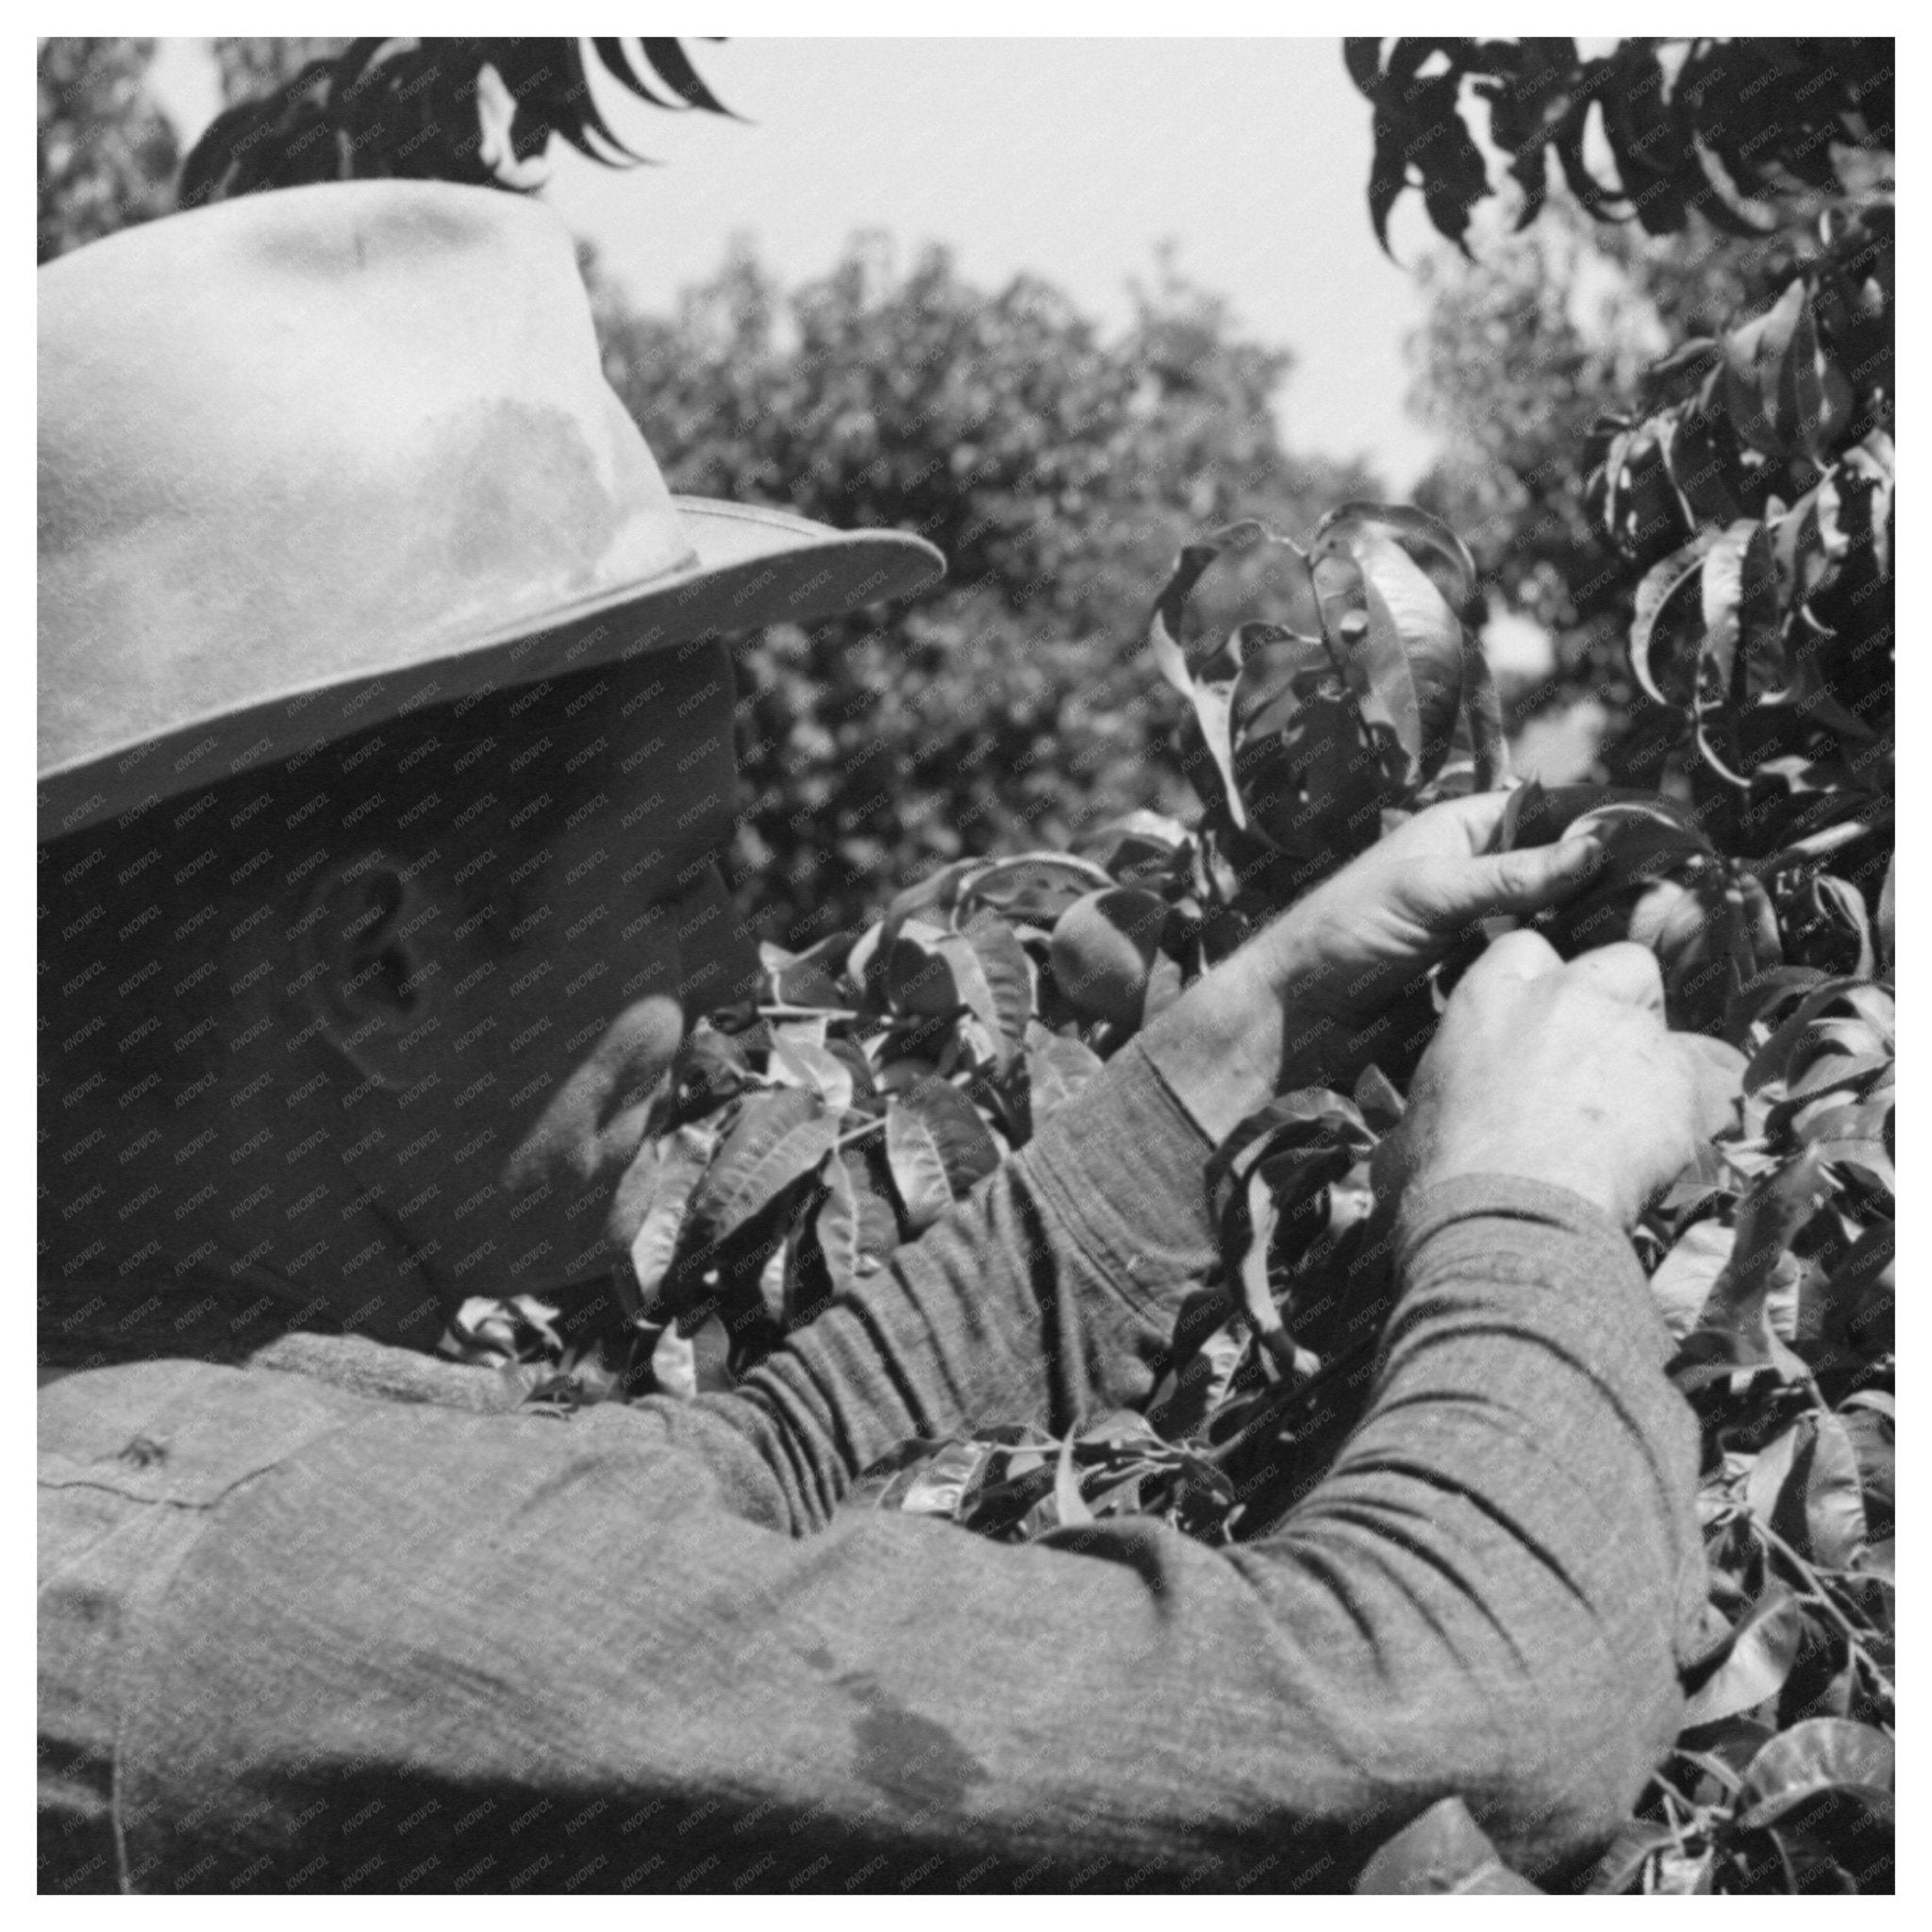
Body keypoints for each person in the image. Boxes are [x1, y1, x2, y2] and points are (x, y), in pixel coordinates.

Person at [39, 180, 1738, 1895]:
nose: (735, 981)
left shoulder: (135, 1473)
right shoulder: (275, 1614)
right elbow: (1444, 1720)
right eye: (680, 880)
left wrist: (1270, 1011)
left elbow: (751, 1467)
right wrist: (1533, 1198)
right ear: (382, 969)